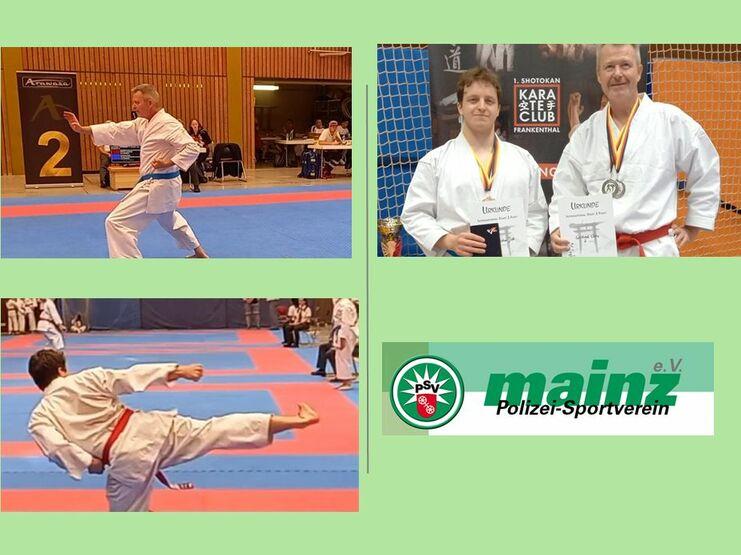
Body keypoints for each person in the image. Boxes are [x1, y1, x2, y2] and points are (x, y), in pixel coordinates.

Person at [27, 349, 319, 512]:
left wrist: (88, 462)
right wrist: (177, 370)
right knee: (216, 429)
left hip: (125, 457)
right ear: (62, 370)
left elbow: (56, 447)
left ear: (38, 382)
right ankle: (295, 420)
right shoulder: (86, 378)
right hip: (153, 428)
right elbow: (130, 377)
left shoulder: (40, 416)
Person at [549, 44, 720, 257]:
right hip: (597, 251)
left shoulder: (670, 120)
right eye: (609, 67)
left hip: (653, 251)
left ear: (639, 71)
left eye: (625, 65)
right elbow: (566, 186)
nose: (617, 73)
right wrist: (559, 225)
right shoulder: (585, 133)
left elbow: (706, 167)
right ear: (599, 75)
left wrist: (694, 226)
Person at [401, 67, 548, 256]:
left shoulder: (522, 159)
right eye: (473, 100)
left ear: (497, 109)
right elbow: (415, 214)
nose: (481, 106)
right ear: (460, 107)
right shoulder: (434, 162)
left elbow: (537, 213)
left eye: (489, 101)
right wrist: (449, 240)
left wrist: (523, 250)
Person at [63, 84, 208, 259]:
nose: (133, 106)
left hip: (157, 184)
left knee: (116, 223)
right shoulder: (143, 123)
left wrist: (168, 162)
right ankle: (200, 253)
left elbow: (192, 147)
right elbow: (117, 129)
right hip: (164, 185)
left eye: (137, 102)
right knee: (169, 219)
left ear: (150, 102)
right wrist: (83, 129)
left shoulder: (168, 124)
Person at [312, 298, 358, 377]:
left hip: (345, 341)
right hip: (337, 340)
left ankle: (339, 374)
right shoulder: (338, 319)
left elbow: (346, 331)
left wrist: (340, 342)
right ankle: (322, 369)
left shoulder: (347, 316)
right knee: (323, 347)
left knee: (331, 353)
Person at [186, 119, 212, 193]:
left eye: (196, 124)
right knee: (194, 162)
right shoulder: (189, 133)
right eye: (193, 124)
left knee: (196, 162)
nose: (194, 126)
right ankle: (202, 177)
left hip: (203, 151)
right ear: (190, 126)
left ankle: (201, 178)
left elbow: (209, 141)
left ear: (198, 125)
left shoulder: (203, 132)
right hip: (193, 151)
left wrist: (202, 143)